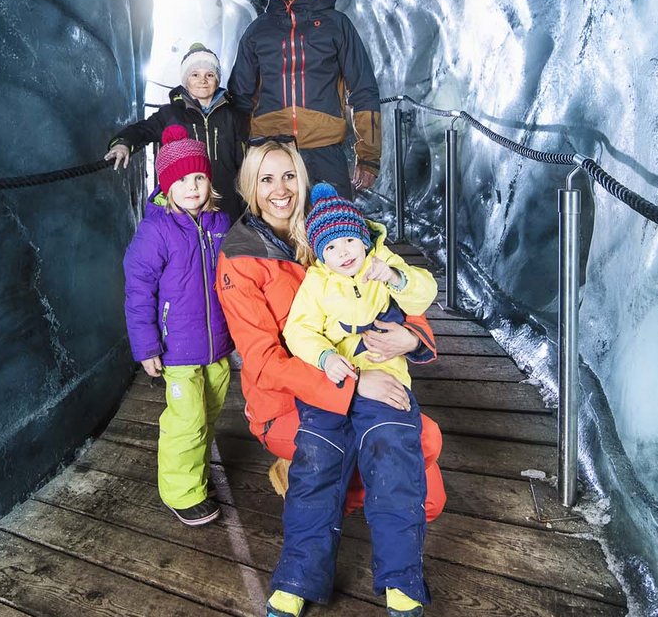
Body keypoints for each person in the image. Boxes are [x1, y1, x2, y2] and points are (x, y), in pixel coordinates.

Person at [215, 138, 448, 522]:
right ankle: (313, 476)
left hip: (361, 370)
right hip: (290, 401)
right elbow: (263, 362)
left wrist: (412, 337)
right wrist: (353, 384)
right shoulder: (239, 258)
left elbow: (392, 278)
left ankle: (323, 478)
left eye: (289, 176)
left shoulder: (331, 226)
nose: (280, 190)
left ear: (302, 178)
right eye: (266, 179)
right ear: (250, 187)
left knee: (429, 501)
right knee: (422, 443)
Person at [271, 182, 435, 616]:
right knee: (314, 469)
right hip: (332, 386)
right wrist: (325, 357)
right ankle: (297, 578)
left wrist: (396, 277)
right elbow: (298, 330)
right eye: (330, 246)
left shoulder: (384, 263)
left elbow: (424, 293)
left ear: (363, 239)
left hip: (384, 382)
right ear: (319, 253)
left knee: (394, 458)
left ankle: (401, 580)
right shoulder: (316, 283)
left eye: (349, 240)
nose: (343, 252)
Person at [121, 125, 234, 526]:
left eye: (199, 177)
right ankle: (182, 493)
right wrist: (147, 346)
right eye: (182, 180)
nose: (192, 187)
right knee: (187, 421)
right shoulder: (156, 230)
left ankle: (196, 475)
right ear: (167, 185)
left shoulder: (220, 223)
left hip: (217, 345)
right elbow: (138, 290)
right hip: (177, 348)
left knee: (209, 413)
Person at [227, 0, 382, 197]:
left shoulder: (337, 24)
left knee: (333, 221)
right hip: (271, 152)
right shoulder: (257, 31)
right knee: (275, 222)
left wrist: (368, 157)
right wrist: (238, 156)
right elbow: (240, 98)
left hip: (326, 151)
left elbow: (363, 89)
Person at [105, 42, 243, 204]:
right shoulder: (170, 114)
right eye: (195, 75)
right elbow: (143, 129)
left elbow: (244, 159)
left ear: (217, 80)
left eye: (210, 75)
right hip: (186, 203)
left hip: (228, 201)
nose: (203, 80)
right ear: (185, 80)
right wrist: (124, 143)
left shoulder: (231, 115)